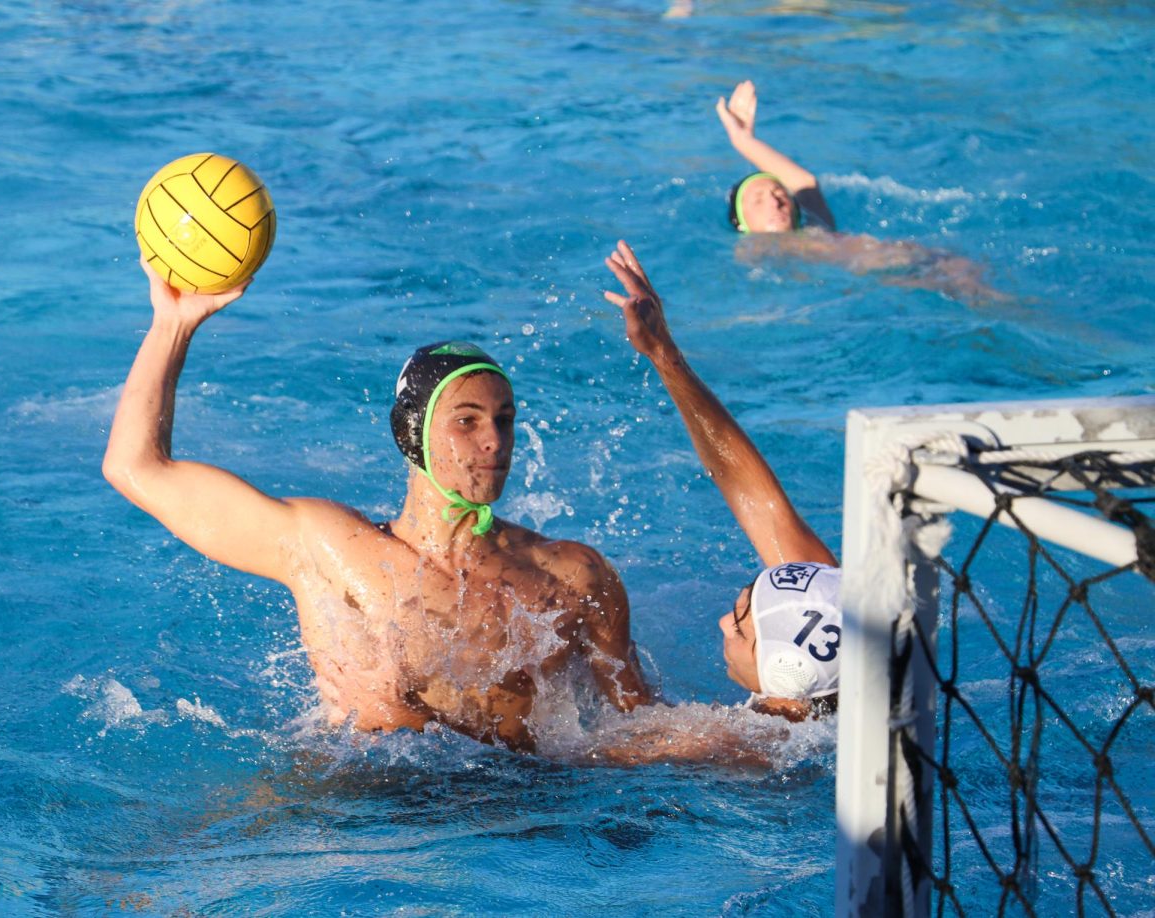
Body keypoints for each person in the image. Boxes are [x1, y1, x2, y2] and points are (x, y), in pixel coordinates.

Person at [103, 260, 651, 754]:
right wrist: (172, 324)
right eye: (467, 421)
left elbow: (640, 726)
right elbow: (135, 468)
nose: (494, 441)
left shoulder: (571, 576)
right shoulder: (325, 546)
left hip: (520, 820)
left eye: (503, 420)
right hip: (365, 814)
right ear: (410, 433)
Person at [604, 240, 841, 721]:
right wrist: (663, 352)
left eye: (740, 625)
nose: (722, 624)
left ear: (780, 666)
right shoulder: (835, 611)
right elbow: (747, 487)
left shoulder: (735, 748)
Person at [716, 80, 1005, 304]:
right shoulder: (755, 251)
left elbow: (804, 181)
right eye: (757, 199)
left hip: (927, 261)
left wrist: (745, 141)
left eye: (778, 191)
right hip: (891, 283)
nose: (773, 199)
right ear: (741, 223)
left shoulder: (817, 225)